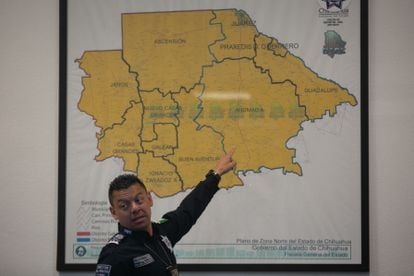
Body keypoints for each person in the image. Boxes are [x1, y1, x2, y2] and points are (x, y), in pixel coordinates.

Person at [95, 148, 236, 276]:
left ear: (149, 199)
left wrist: (216, 174)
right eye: (124, 206)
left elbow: (189, 209)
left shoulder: (161, 233)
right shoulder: (114, 255)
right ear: (114, 213)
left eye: (138, 200)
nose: (135, 208)